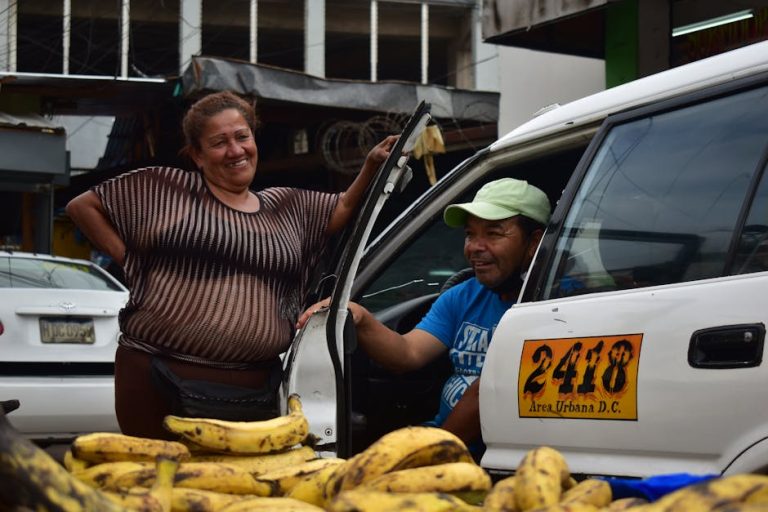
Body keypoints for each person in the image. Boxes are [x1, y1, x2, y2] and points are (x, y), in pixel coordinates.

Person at [66, 90, 398, 440]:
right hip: (155, 378)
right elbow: (82, 207)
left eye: (242, 137)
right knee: (158, 484)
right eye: (219, 142)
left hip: (252, 390)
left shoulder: (287, 206)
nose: (236, 150)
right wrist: (130, 260)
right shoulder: (164, 189)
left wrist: (372, 164)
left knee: (236, 487)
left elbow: (343, 207)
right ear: (196, 154)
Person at [297, 177, 552, 453]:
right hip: (441, 442)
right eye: (470, 234)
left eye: (493, 234)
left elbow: (487, 392)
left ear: (534, 242)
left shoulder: (556, 305)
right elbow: (408, 353)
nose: (475, 247)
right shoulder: (462, 296)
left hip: (497, 456)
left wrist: (430, 454)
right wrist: (358, 315)